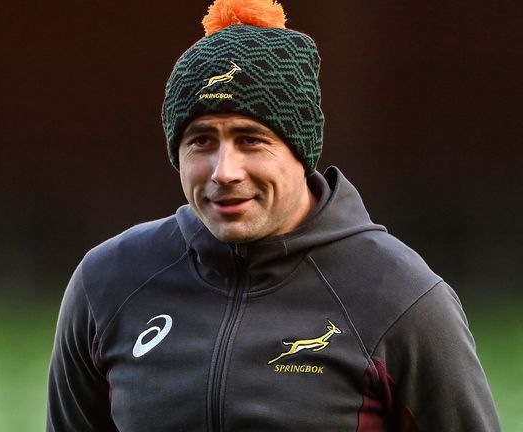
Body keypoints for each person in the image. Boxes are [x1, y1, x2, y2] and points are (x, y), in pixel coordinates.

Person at [46, 0, 501, 430]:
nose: (224, 172)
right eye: (201, 140)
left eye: (251, 139)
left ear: (300, 153)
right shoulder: (108, 282)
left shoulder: (401, 298)